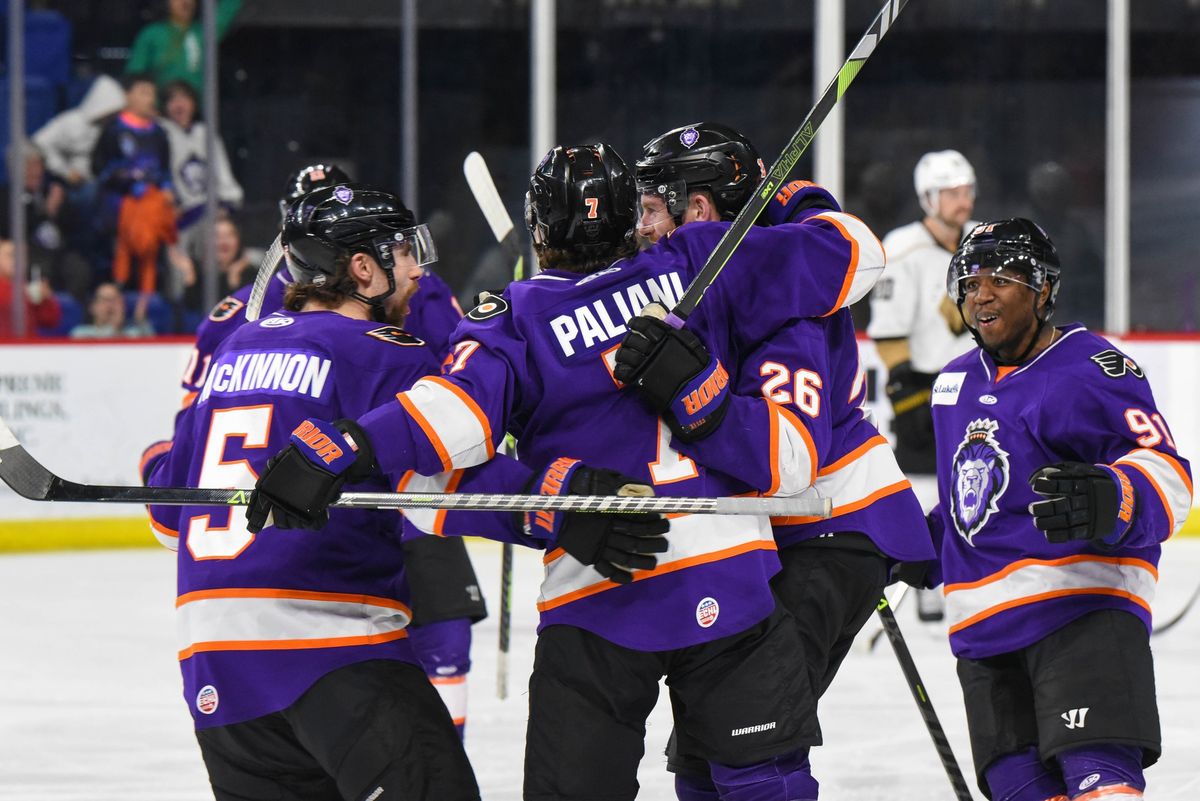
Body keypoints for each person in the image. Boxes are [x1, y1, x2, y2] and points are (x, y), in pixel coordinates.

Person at [247, 141, 886, 801]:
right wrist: (789, 200)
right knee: (765, 784)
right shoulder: (701, 257)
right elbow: (860, 254)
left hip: (597, 592)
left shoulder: (518, 314)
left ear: (541, 229)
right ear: (630, 217)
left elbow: (454, 423)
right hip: (730, 574)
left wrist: (351, 442)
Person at [143, 185, 485, 800]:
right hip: (332, 649)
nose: (416, 271)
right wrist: (559, 509)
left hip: (216, 671)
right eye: (404, 254)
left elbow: (170, 517)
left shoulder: (232, 350)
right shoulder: (387, 355)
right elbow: (447, 491)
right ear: (363, 268)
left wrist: (154, 461)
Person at [632, 121, 933, 801]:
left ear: (700, 211)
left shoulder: (788, 303)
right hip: (775, 536)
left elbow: (786, 459)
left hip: (831, 526)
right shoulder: (722, 280)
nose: (642, 229)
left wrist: (693, 390)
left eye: (653, 209)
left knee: (753, 744)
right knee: (705, 752)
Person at [925, 218, 1192, 801]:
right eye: (971, 282)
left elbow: (1169, 474)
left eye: (1001, 278)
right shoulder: (952, 384)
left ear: (1043, 290)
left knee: (1100, 785)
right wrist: (926, 542)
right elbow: (976, 498)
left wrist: (1116, 496)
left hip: (1081, 615)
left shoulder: (1092, 369)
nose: (982, 293)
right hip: (982, 638)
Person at [867, 148, 979, 622]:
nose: (963, 200)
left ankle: (975, 570)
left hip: (977, 380)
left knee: (978, 477)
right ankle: (930, 577)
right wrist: (907, 393)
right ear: (929, 197)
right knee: (926, 489)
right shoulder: (904, 249)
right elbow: (890, 333)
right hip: (926, 386)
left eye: (967, 190)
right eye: (952, 192)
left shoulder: (982, 241)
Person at [92, 72, 193, 296]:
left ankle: (153, 305)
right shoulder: (113, 130)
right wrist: (129, 181)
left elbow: (165, 171)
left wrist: (166, 190)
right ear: (128, 96)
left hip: (154, 210)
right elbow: (100, 168)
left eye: (152, 94)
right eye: (144, 93)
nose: (150, 99)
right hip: (120, 209)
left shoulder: (158, 132)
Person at [160, 80, 244, 269]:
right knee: (178, 258)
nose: (179, 104)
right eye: (173, 100)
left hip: (212, 211)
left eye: (184, 98)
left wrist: (225, 204)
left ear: (194, 104)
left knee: (223, 235)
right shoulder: (161, 133)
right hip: (180, 217)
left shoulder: (205, 133)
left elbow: (225, 179)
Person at [126, 0, 244, 94]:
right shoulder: (151, 34)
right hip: (159, 115)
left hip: (195, 117)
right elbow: (134, 77)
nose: (186, 2)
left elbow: (226, 10)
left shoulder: (202, 33)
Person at [0, 239, 61, 337]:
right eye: (11, 255)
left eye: (22, 256)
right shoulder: (23, 291)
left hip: (25, 347)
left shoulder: (29, 289)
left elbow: (51, 321)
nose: (18, 260)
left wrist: (45, 299)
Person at [71, 281, 155, 338]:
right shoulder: (81, 333)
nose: (110, 305)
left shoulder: (134, 334)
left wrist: (141, 320)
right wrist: (114, 329)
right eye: (105, 300)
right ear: (93, 307)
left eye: (115, 300)